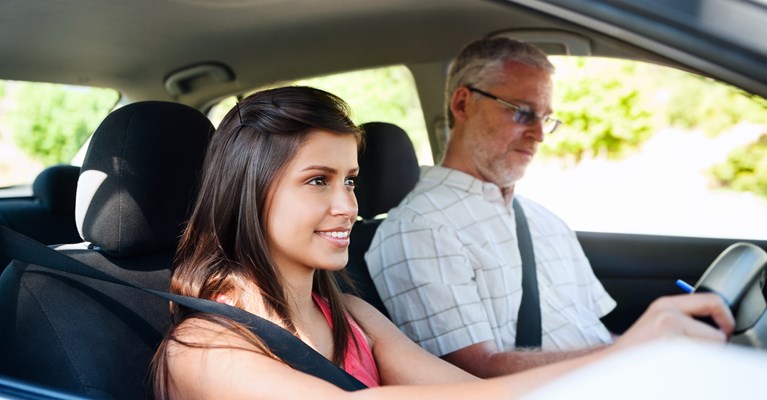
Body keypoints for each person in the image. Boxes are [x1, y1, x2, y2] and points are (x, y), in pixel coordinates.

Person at [151, 85, 733, 399]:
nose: (348, 205)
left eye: (350, 180)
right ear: (248, 195)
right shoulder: (203, 349)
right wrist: (629, 353)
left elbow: (465, 393)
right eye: (317, 181)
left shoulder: (348, 312)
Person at [364, 37, 620, 377]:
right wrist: (626, 354)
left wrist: (660, 348)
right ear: (463, 104)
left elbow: (591, 332)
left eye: (546, 118)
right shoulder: (421, 227)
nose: (540, 134)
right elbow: (476, 372)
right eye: (523, 113)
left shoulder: (543, 219)